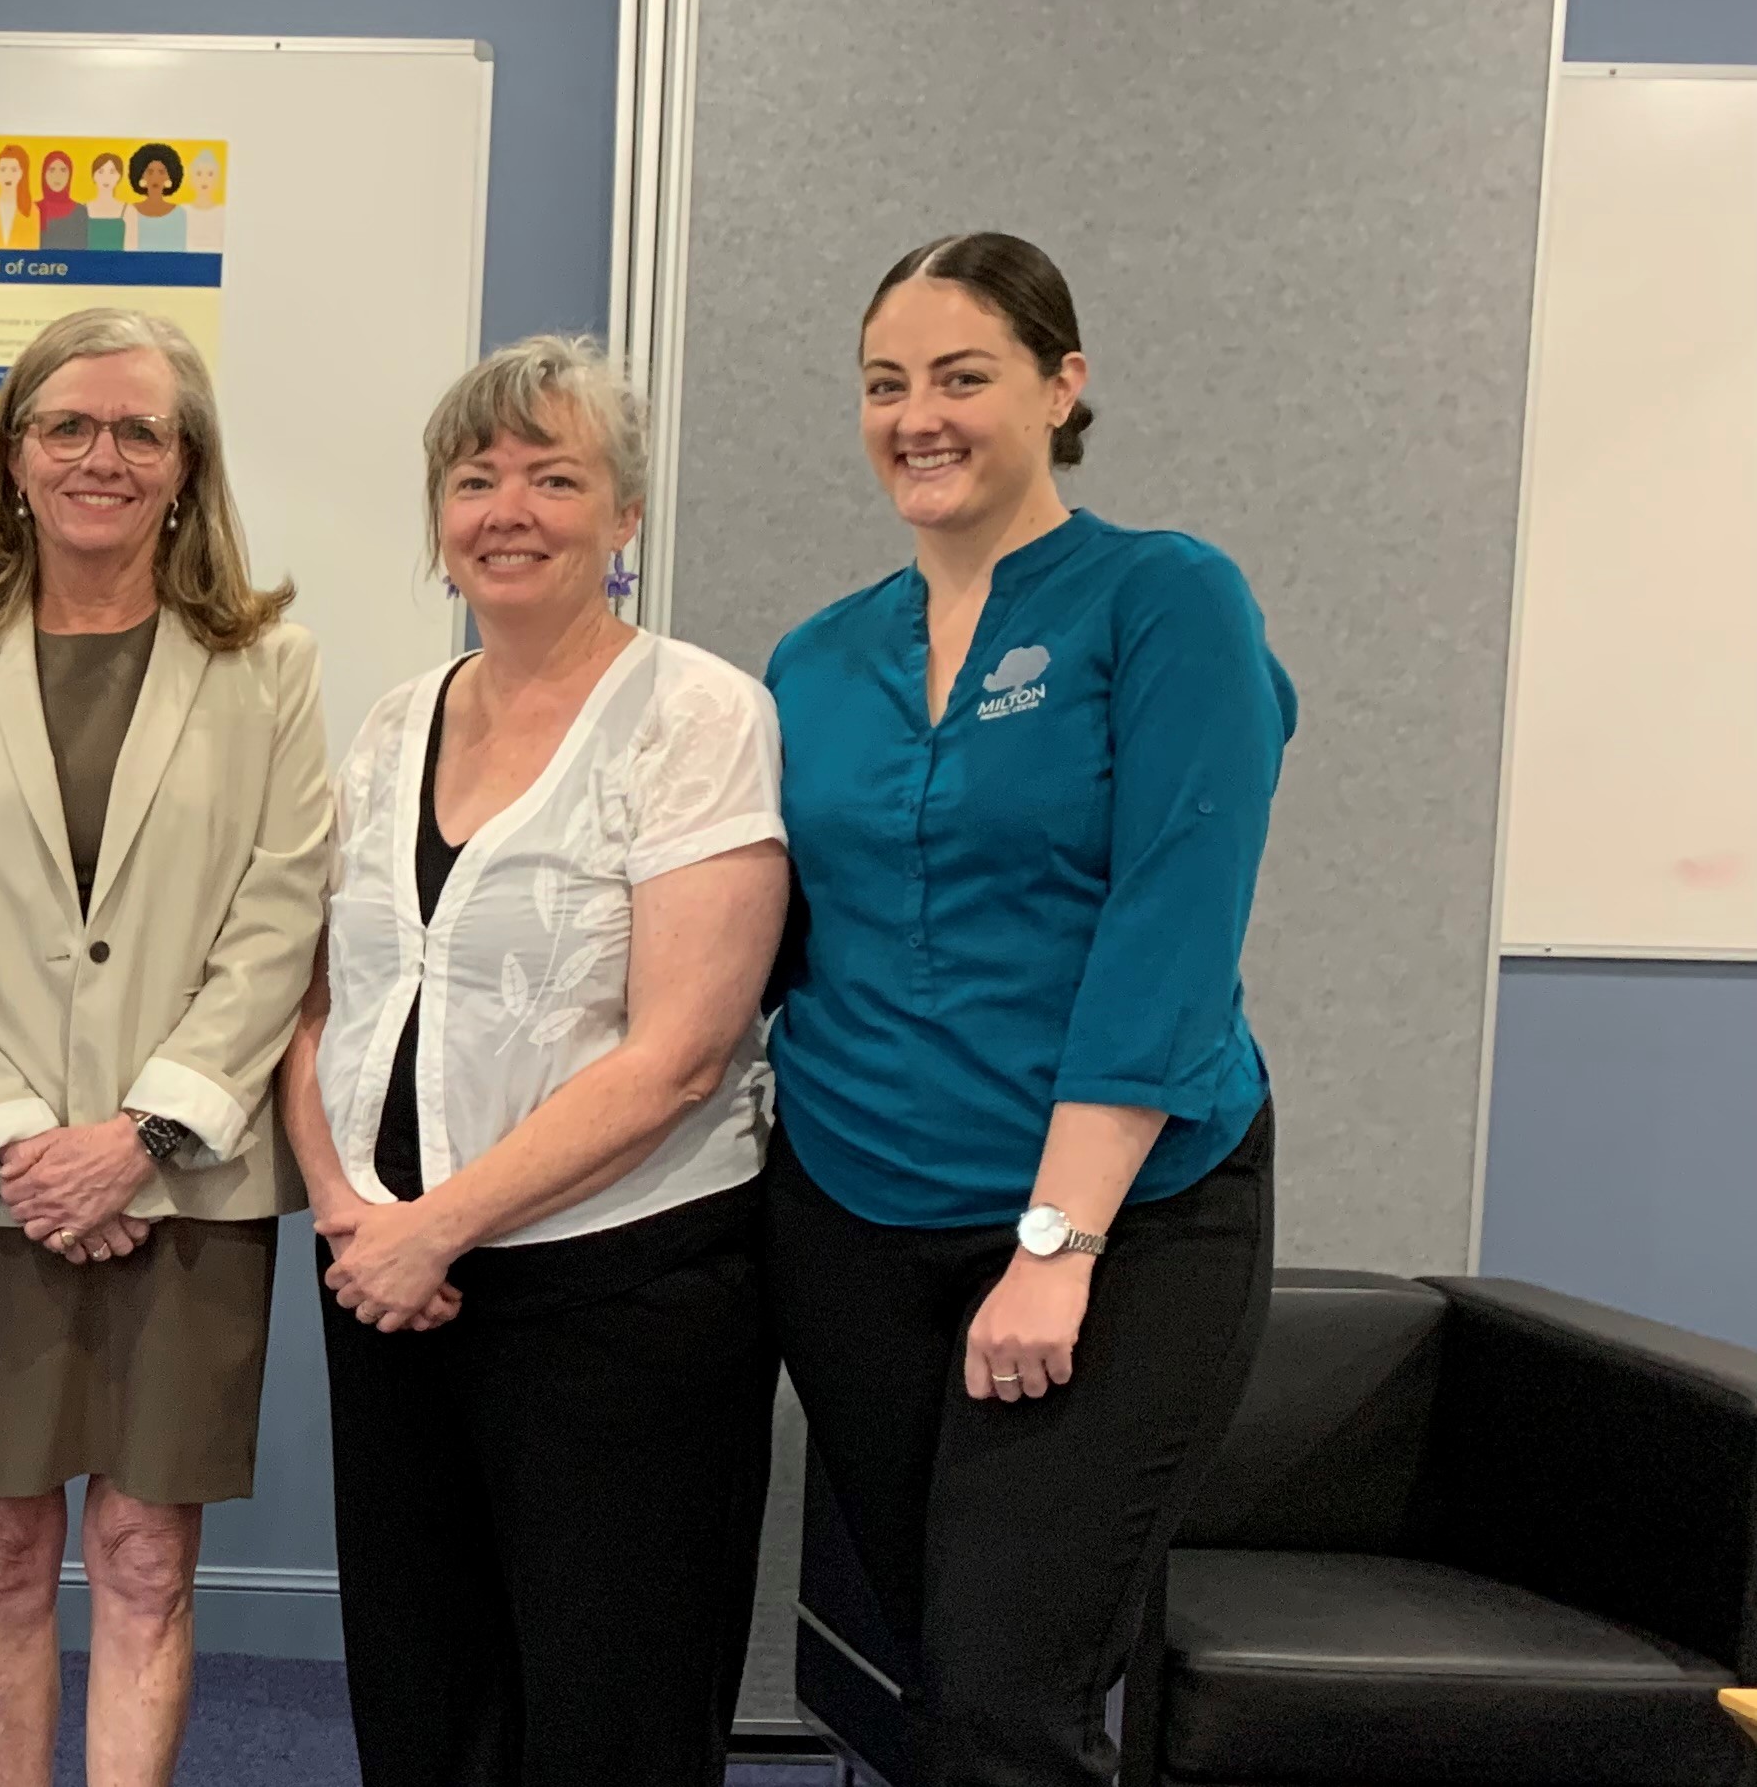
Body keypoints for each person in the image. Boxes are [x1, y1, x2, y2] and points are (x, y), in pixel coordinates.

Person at [765, 233, 1288, 1787]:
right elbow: (770, 936)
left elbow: (1169, 930)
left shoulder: (1162, 598)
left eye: (959, 376)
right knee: (928, 1677)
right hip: (852, 1221)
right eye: (881, 384)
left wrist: (1051, 1248)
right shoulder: (811, 657)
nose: (914, 415)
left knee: (1007, 1699)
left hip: (1117, 1229)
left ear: (1061, 388)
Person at [275, 334, 788, 1787]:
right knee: (421, 1691)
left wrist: (439, 1222)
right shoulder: (388, 726)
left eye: (552, 477)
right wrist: (349, 1212)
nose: (506, 508)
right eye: (474, 475)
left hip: (612, 1289)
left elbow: (680, 1053)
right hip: (386, 1289)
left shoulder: (699, 715)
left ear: (621, 515)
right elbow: (315, 1003)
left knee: (607, 1703)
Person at [0, 308, 331, 1787]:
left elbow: (279, 917)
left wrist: (134, 1138)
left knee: (142, 1554)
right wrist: (22, 1140)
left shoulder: (266, 664)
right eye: (66, 425)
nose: (101, 455)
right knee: (2, 1548)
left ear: (185, 467)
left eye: (139, 429)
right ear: (11, 459)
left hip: (182, 1183)